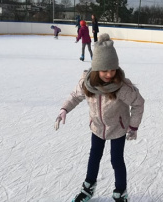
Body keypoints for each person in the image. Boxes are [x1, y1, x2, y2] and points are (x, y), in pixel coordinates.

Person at [54, 33, 145, 202]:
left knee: (116, 160)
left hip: (117, 128)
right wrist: (64, 108)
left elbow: (138, 103)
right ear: (96, 69)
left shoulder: (121, 87)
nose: (109, 74)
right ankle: (88, 188)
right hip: (97, 127)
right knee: (94, 156)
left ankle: (120, 192)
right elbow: (75, 96)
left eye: (112, 69)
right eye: (104, 70)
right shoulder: (87, 83)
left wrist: (133, 126)